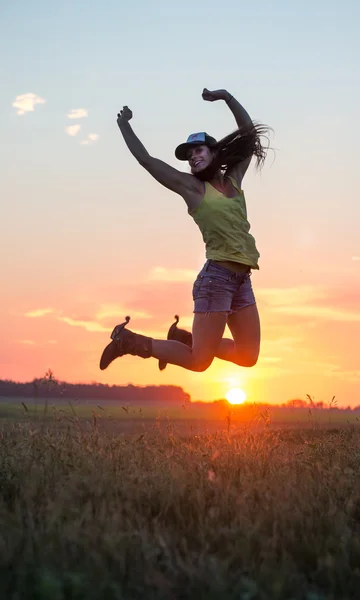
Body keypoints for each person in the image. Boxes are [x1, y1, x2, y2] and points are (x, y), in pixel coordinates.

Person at [99, 88, 270, 373]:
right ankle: (128, 342)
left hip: (242, 280)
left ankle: (182, 338)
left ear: (214, 152)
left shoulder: (234, 180)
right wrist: (124, 125)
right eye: (189, 155)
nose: (192, 158)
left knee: (247, 355)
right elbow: (148, 161)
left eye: (198, 150)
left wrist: (226, 97)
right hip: (216, 280)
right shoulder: (191, 188)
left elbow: (249, 135)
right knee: (198, 361)